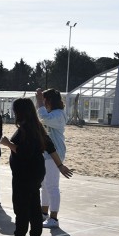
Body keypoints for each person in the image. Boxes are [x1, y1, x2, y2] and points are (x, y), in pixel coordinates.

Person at [0, 98, 49, 236]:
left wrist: (8, 144)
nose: (13, 113)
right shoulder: (36, 127)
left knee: (21, 208)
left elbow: (24, 152)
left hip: (26, 174)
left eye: (15, 110)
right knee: (33, 207)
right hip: (34, 172)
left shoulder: (26, 129)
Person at [37, 88, 68, 228]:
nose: (43, 103)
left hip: (55, 154)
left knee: (52, 186)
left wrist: (38, 101)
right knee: (44, 185)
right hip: (46, 153)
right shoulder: (52, 113)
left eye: (45, 100)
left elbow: (44, 118)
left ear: (49, 101)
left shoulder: (58, 114)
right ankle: (44, 213)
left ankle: (54, 218)